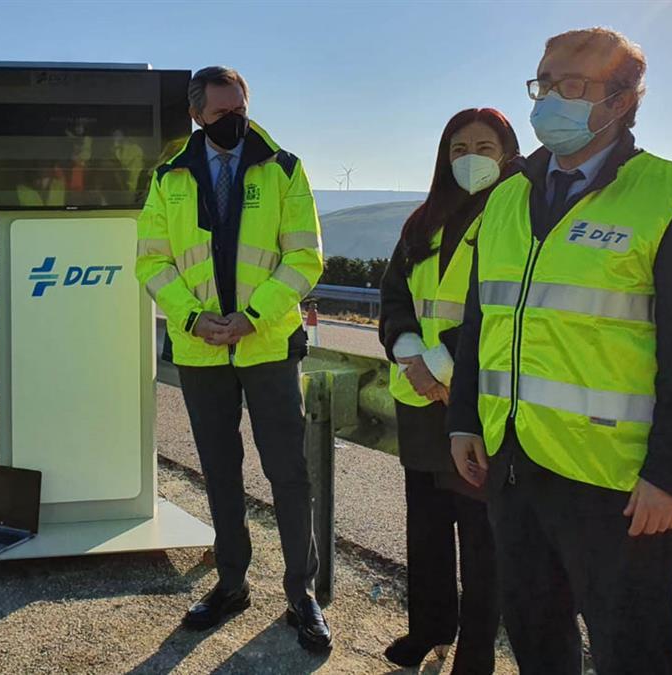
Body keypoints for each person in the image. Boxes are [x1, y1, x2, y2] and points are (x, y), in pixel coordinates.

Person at [447, 28, 672, 675]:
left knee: (632, 651)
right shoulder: (504, 199)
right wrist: (464, 415)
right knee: (536, 641)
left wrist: (671, 475)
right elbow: (481, 319)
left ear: (622, 100)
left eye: (571, 85)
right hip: (514, 466)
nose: (550, 98)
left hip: (619, 486)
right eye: (543, 83)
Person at [135, 66, 330, 652]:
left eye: (240, 106)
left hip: (267, 346)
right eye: (221, 113)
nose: (235, 120)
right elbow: (151, 262)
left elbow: (305, 258)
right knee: (220, 474)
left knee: (288, 475)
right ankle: (232, 583)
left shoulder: (285, 169)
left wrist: (252, 317)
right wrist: (195, 319)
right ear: (197, 115)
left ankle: (302, 595)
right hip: (200, 349)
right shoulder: (169, 177)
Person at [378, 108, 521, 674]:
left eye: (485, 147)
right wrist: (412, 356)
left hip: (478, 399)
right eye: (459, 148)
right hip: (421, 400)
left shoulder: (520, 214)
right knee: (427, 528)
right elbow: (394, 295)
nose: (470, 159)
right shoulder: (423, 221)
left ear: (508, 152)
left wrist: (440, 364)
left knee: (481, 542)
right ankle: (430, 628)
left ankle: (476, 654)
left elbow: (506, 306)